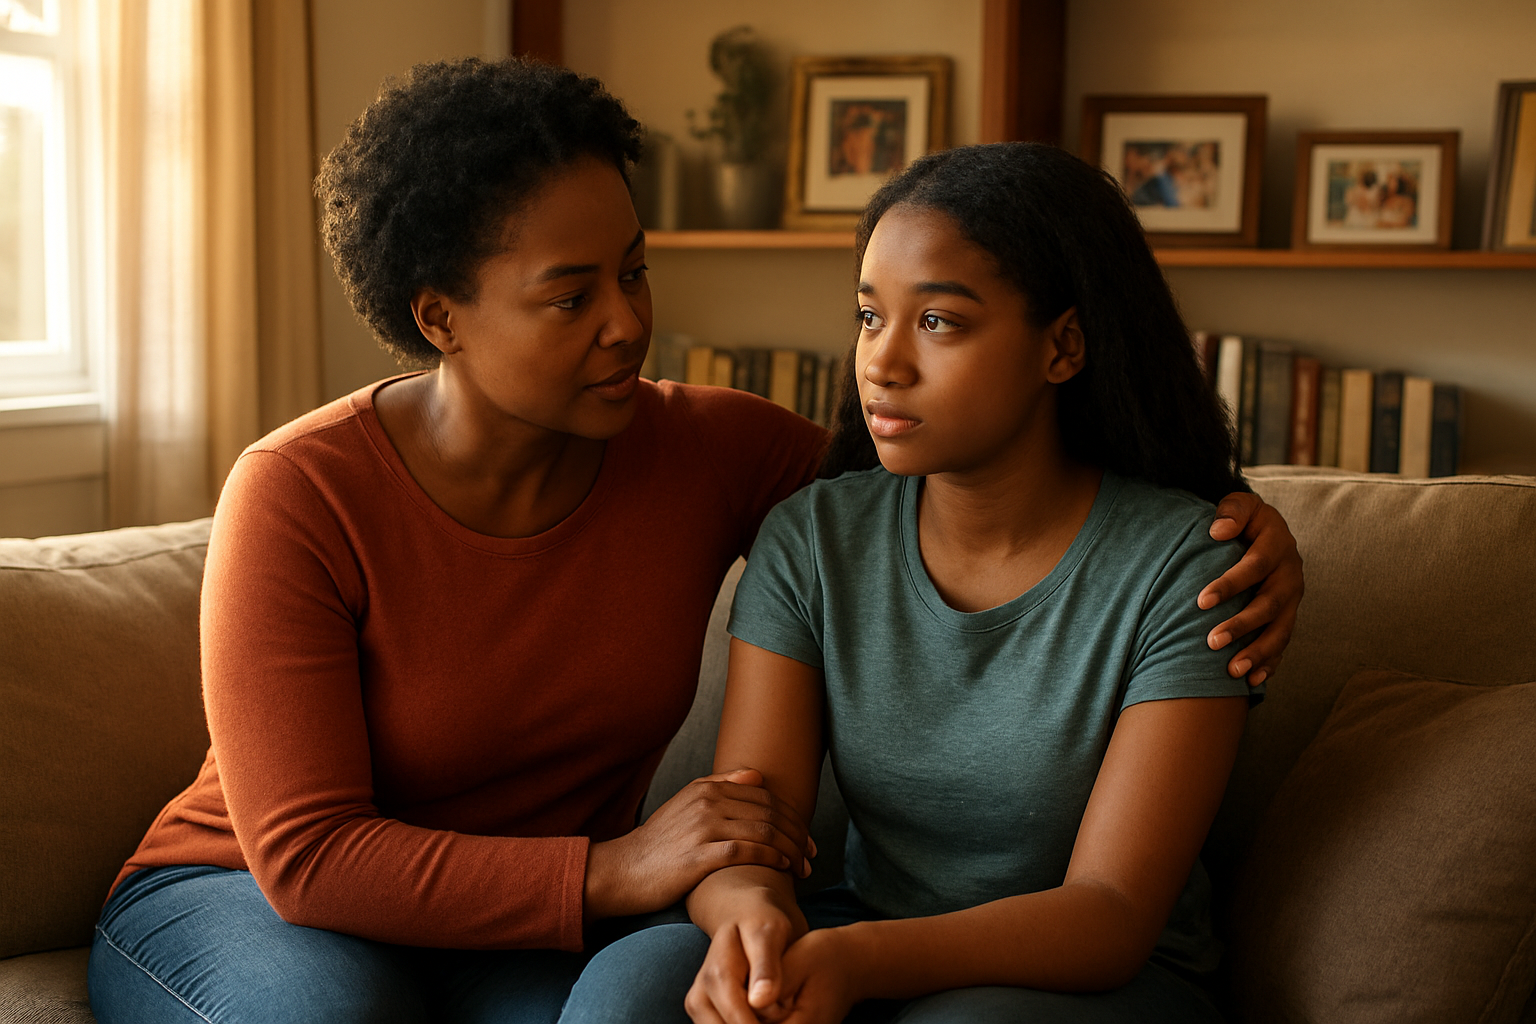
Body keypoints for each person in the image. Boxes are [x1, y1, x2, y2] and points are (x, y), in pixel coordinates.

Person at [86, 59, 1299, 1024]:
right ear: (438, 317)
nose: (628, 325)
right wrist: (621, 871)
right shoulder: (299, 492)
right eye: (572, 297)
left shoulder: (724, 457)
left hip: (533, 918)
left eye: (635, 272)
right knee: (333, 1014)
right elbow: (308, 856)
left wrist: (1252, 521)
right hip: (257, 897)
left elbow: (949, 482)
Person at [558, 142, 1275, 1024]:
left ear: (1064, 346)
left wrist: (860, 961)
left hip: (1081, 981)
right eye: (869, 317)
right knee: (636, 983)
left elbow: (1113, 914)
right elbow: (752, 825)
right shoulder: (814, 537)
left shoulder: (1186, 569)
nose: (881, 363)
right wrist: (750, 915)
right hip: (851, 939)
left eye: (938, 321)